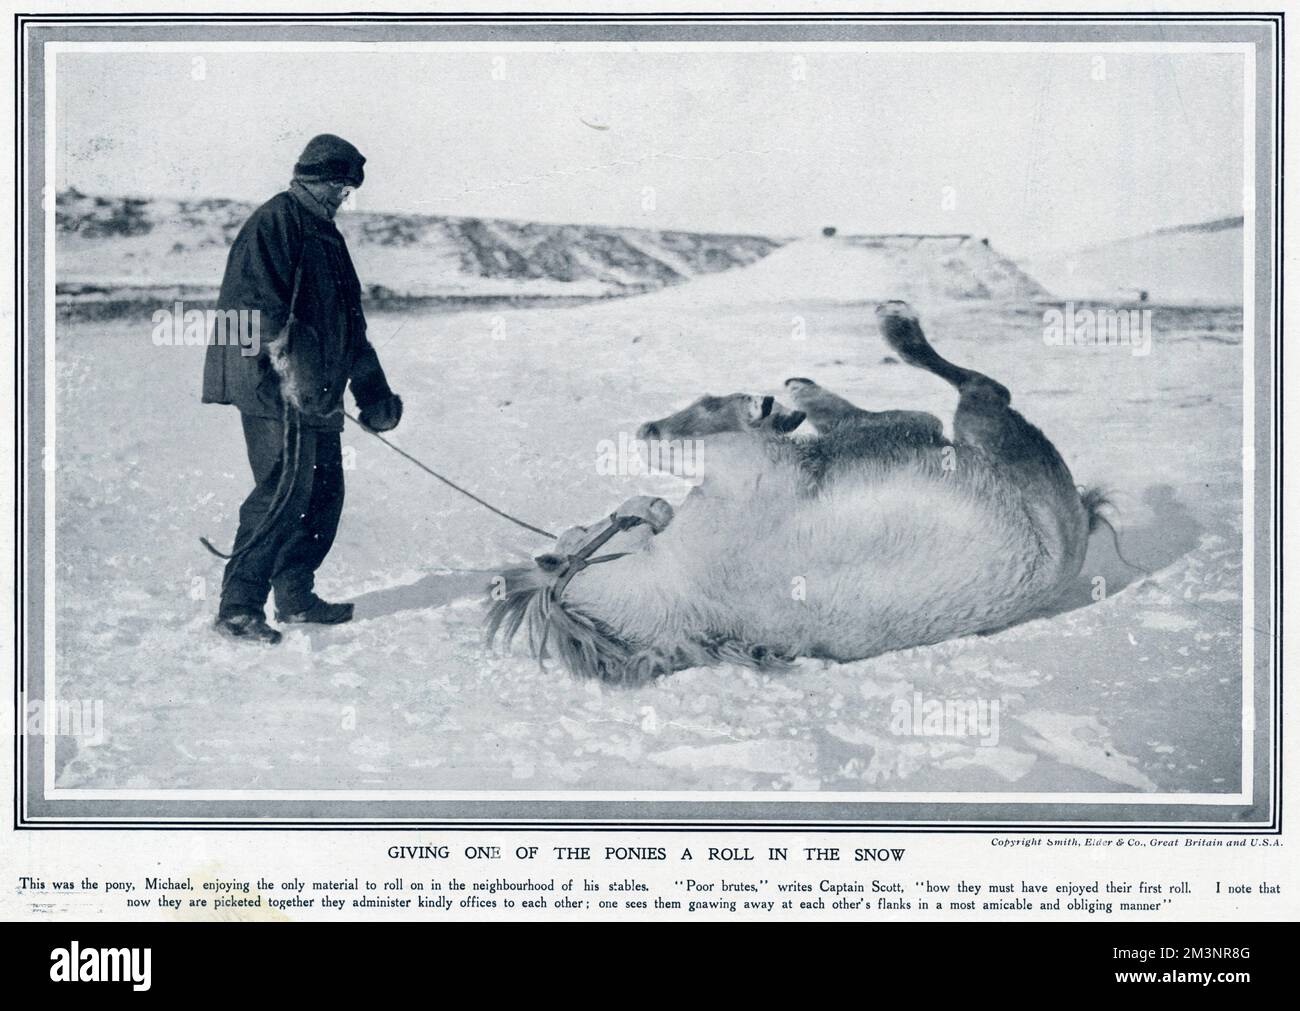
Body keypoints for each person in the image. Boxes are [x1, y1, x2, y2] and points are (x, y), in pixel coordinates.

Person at [201, 134, 402, 644]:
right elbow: (246, 311)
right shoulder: (275, 223)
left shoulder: (327, 236)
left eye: (347, 189)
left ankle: (295, 597)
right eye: (336, 185)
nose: (342, 196)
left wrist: (374, 394)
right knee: (282, 493)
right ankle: (238, 607)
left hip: (317, 391)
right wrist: (284, 370)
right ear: (309, 179)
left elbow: (350, 327)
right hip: (273, 390)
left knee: (324, 494)